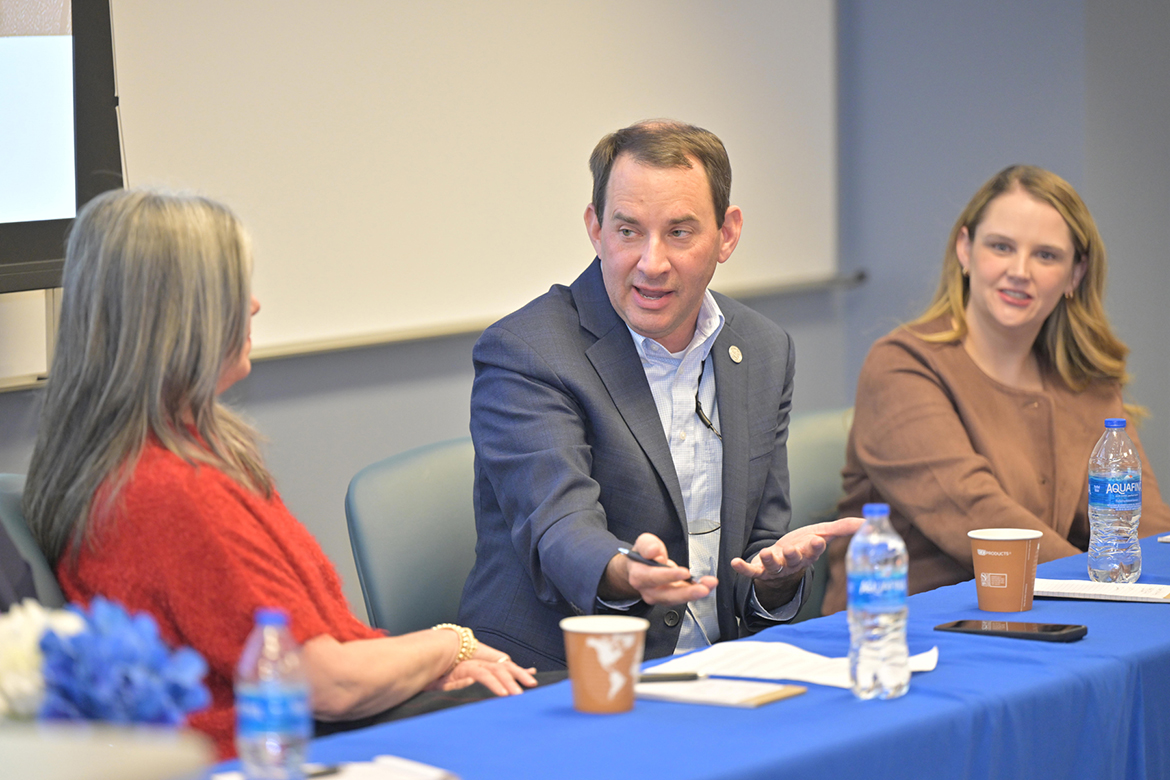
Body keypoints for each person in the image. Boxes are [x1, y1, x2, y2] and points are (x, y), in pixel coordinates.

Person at [22, 189, 536, 758]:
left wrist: (412, 669)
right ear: (181, 319)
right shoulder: (173, 493)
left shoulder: (137, 463)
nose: (256, 305)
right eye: (234, 291)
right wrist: (450, 646)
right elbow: (326, 682)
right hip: (291, 752)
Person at [458, 120, 860, 670]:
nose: (652, 262)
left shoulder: (762, 350)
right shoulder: (527, 352)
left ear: (727, 234)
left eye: (679, 232)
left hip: (719, 673)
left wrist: (776, 578)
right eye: (628, 231)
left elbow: (756, 552)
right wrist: (629, 572)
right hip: (565, 679)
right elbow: (560, 530)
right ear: (595, 228)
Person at [822, 165, 1170, 614]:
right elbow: (984, 522)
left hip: (1047, 613)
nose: (1019, 271)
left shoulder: (1086, 380)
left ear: (1075, 274)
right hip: (914, 629)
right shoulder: (900, 367)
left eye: (1046, 256)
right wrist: (1109, 589)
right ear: (964, 250)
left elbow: (1142, 527)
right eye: (1001, 247)